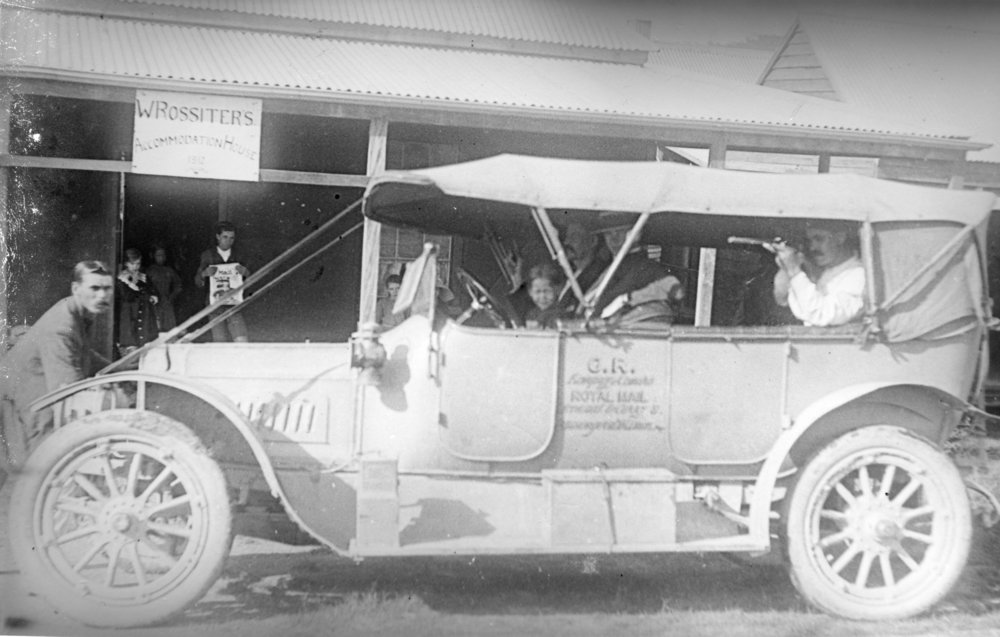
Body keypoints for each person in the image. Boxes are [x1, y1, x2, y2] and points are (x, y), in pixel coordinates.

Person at [0, 261, 114, 474]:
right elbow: (65, 387)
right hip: (23, 391)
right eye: (95, 288)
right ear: (76, 289)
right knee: (43, 464)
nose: (102, 296)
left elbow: (82, 352)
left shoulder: (81, 311)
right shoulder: (62, 325)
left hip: (36, 386)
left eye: (107, 288)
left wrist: (116, 368)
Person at [591, 214, 684, 322]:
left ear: (637, 234)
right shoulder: (606, 268)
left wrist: (628, 299)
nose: (614, 239)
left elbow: (676, 292)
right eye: (608, 233)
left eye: (620, 232)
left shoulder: (647, 268)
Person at [772, 221, 865, 327]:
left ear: (840, 238)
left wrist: (794, 270)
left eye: (819, 239)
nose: (812, 248)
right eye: (809, 241)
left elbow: (821, 314)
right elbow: (782, 298)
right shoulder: (827, 270)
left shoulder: (859, 275)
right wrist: (786, 266)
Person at [195, 221, 251, 342]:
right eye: (225, 237)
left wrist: (246, 273)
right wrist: (204, 274)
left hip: (234, 304)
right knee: (219, 341)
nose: (228, 241)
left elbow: (251, 278)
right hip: (215, 305)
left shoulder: (240, 255)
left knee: (242, 340)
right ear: (218, 236)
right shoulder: (208, 255)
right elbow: (197, 282)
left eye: (232, 238)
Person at [116, 247, 159, 353]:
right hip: (130, 315)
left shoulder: (143, 277)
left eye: (138, 264)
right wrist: (134, 285)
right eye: (132, 264)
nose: (135, 267)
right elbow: (127, 296)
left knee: (146, 344)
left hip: (145, 314)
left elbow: (151, 290)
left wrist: (153, 296)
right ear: (126, 264)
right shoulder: (122, 279)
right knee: (132, 344)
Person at [146, 244, 183, 332]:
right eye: (158, 255)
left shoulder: (169, 270)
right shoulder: (149, 271)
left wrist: (171, 297)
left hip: (167, 303)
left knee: (169, 330)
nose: (161, 257)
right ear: (153, 256)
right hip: (153, 305)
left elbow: (179, 285)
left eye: (163, 255)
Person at [524, 262, 569, 329]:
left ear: (557, 290)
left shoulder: (561, 315)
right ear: (530, 292)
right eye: (537, 291)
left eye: (547, 291)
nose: (542, 297)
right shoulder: (531, 315)